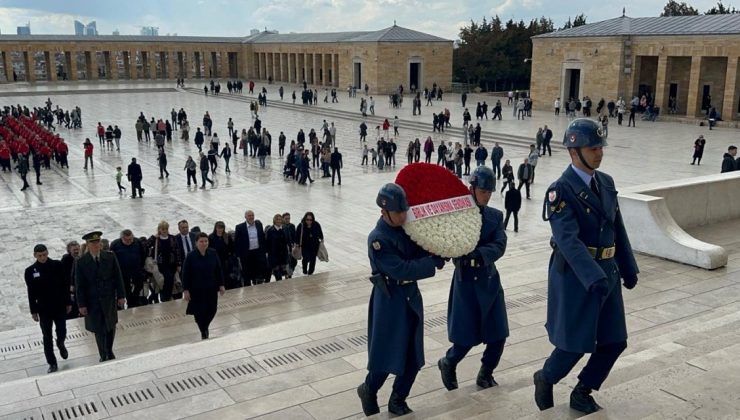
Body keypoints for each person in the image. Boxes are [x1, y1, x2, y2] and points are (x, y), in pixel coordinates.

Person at [534, 118, 639, 415]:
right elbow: (567, 240)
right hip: (577, 277)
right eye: (592, 148)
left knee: (615, 340)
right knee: (575, 343)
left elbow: (618, 228)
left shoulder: (606, 182)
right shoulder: (560, 190)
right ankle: (546, 377)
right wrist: (593, 277)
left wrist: (628, 268)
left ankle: (583, 390)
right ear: (573, 151)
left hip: (607, 272)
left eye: (600, 147)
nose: (599, 153)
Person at [357, 183, 446, 416]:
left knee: (413, 355)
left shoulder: (407, 229)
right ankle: (369, 389)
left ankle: (398, 399)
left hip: (410, 297)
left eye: (404, 210)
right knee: (387, 354)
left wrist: (437, 250)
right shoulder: (377, 239)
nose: (403, 215)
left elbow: (420, 251)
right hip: (390, 300)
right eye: (398, 212)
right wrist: (430, 263)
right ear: (384, 212)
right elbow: (400, 269)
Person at [438, 167, 509, 392]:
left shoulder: (495, 217)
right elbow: (446, 242)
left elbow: (499, 244)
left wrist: (479, 255)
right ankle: (448, 362)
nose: (486, 195)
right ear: (472, 188)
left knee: (498, 334)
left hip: (488, 279)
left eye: (489, 191)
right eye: (482, 190)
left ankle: (486, 372)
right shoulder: (457, 215)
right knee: (466, 336)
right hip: (465, 282)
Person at [74, 231, 126, 362]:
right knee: (98, 327)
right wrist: (81, 304)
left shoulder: (109, 256)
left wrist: (121, 296)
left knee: (110, 324)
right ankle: (103, 353)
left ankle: (109, 349)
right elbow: (79, 285)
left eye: (98, 242)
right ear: (88, 244)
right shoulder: (81, 262)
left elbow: (118, 277)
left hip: (108, 298)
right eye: (93, 243)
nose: (97, 245)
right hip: (92, 300)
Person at [24, 244, 70, 373]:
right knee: (46, 336)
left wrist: (68, 302)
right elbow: (31, 292)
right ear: (35, 255)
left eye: (44, 255)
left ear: (47, 253)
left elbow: (64, 285)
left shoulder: (57, 265)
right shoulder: (30, 271)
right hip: (43, 308)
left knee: (62, 330)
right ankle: (52, 362)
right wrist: (33, 311)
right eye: (40, 256)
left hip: (59, 305)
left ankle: (60, 343)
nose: (43, 258)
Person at [183, 232, 225, 339]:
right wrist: (186, 290)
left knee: (212, 309)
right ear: (196, 243)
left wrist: (221, 285)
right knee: (199, 312)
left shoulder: (213, 253)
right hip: (196, 289)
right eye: (201, 241)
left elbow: (218, 270)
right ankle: (204, 331)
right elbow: (186, 274)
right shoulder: (190, 256)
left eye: (206, 241)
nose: (204, 243)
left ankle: (204, 327)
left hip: (211, 287)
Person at [110, 229, 146, 308]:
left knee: (139, 286)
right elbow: (112, 260)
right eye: (127, 240)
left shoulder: (137, 242)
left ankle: (133, 301)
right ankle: (131, 303)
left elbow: (143, 255)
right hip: (123, 273)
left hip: (136, 271)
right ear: (122, 238)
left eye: (131, 239)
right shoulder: (115, 244)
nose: (129, 241)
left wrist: (141, 266)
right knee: (126, 290)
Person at [234, 210, 268, 286]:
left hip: (257, 252)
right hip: (246, 253)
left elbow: (262, 238)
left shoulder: (259, 224)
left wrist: (264, 251)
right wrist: (238, 255)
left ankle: (257, 284)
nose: (251, 217)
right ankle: (247, 288)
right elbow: (237, 242)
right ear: (245, 217)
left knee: (258, 271)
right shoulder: (239, 227)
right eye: (249, 215)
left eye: (252, 215)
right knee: (246, 272)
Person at [265, 214, 290, 282]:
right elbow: (267, 244)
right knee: (278, 276)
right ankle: (280, 290)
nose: (279, 221)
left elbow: (288, 240)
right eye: (277, 219)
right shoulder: (270, 230)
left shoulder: (285, 228)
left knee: (285, 274)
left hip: (283, 256)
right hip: (274, 257)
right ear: (274, 220)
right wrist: (268, 255)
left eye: (280, 219)